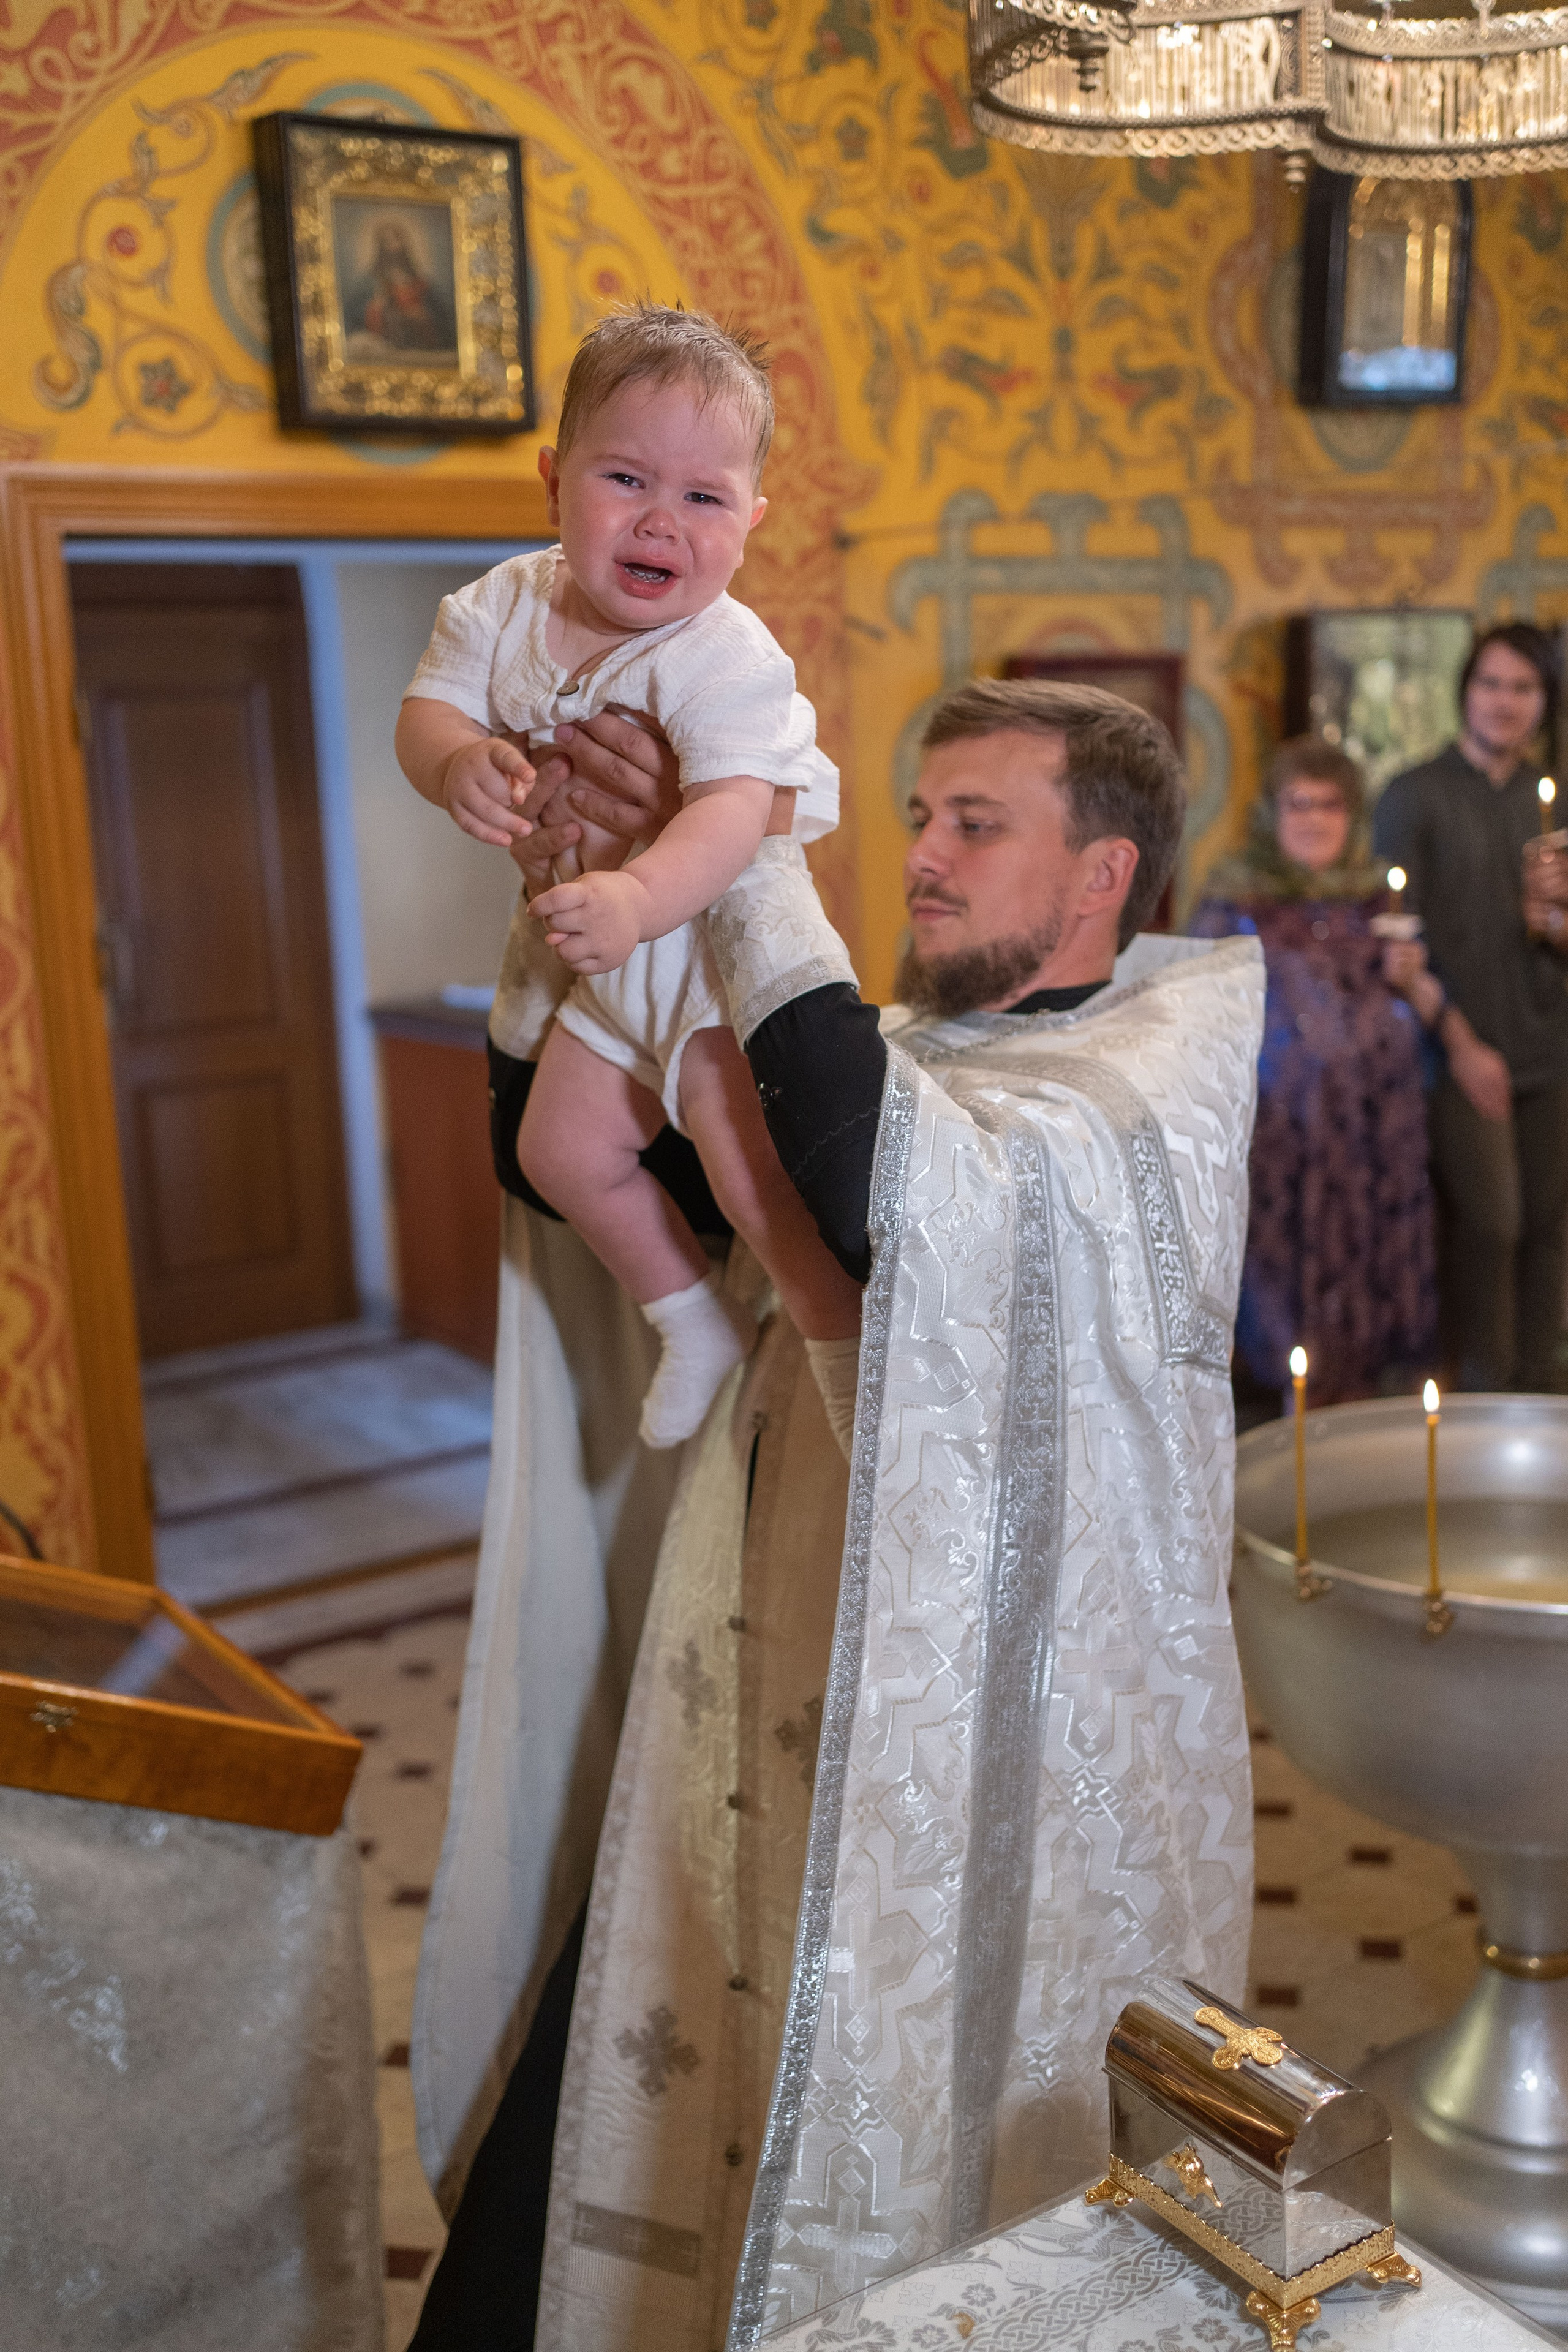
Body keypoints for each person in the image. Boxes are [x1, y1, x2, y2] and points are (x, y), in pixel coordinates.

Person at [409, 678, 1264, 2352]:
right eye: (921, 815)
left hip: (971, 1792)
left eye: (974, 824)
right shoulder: (908, 1045)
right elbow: (546, 1154)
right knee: (581, 2171)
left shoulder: (1152, 1083)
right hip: (754, 1713)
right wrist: (594, 874)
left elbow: (881, 1188)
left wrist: (720, 830)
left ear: (1103, 873)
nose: (923, 858)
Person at [396, 304, 862, 1453]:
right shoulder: (501, 606)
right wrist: (454, 759)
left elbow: (734, 813)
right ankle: (686, 1318)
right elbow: (428, 712)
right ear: (555, 483)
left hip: (707, 966)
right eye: (626, 480)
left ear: (751, 522)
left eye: (704, 498)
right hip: (609, 978)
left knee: (751, 1181)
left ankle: (847, 1354)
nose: (664, 521)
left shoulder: (726, 655)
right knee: (556, 1152)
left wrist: (642, 899)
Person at [1189, 736, 1437, 1405]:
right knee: (1282, 1255)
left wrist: (1408, 979)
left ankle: (1363, 1380)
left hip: (1374, 1126)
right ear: (1273, 812)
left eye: (1330, 804)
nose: (1314, 819)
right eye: (1298, 802)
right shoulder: (1233, 893)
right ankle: (1282, 1382)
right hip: (1279, 1126)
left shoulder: (1375, 891)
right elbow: (1191, 1002)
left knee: (1366, 1250)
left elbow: (1418, 996)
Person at [1374, 624, 1568, 1392]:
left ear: (1545, 701)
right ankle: (1484, 1400)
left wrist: (1554, 919)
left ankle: (1543, 1393)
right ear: (1465, 690)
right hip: (1458, 1049)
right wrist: (1461, 1045)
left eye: (1523, 688)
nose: (1504, 702)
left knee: (1550, 1231)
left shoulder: (1549, 799)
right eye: (1491, 683)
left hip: (1549, 1046)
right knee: (1493, 1226)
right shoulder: (1412, 794)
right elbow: (1397, 945)